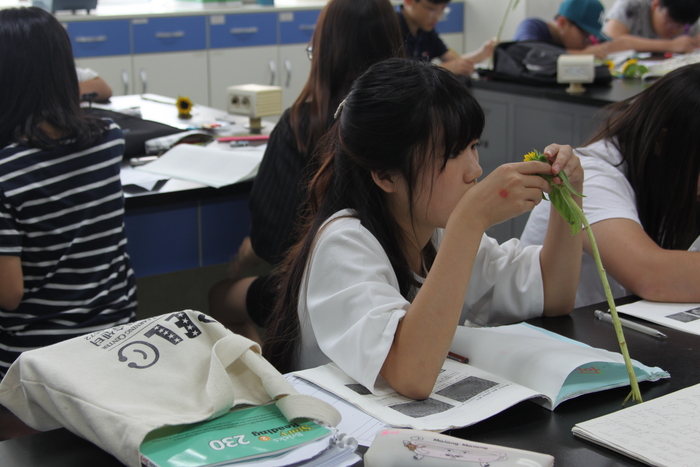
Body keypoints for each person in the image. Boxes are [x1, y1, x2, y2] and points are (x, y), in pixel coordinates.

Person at [263, 58, 584, 399]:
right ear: (386, 175)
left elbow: (554, 294)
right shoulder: (344, 242)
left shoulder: (433, 230)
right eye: (452, 154)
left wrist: (571, 196)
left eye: (473, 147)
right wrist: (470, 220)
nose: (474, 170)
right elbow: (411, 374)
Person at [207, 0, 405, 344]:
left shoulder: (303, 125)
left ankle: (267, 377)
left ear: (327, 51)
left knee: (219, 297)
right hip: (397, 277)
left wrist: (250, 249)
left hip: (318, 289)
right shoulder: (409, 120)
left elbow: (274, 241)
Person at [0, 7, 137, 378]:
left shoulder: (6, 172)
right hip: (116, 338)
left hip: (35, 359)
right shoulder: (109, 137)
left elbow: (8, 294)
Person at [521, 63, 700, 308]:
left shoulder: (666, 177)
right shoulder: (593, 176)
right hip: (549, 334)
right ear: (663, 141)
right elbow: (652, 275)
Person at [398, 0, 497, 76]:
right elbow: (400, 75)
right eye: (431, 9)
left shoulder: (426, 32)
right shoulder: (391, 27)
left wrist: (482, 53)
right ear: (409, 1)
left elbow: (455, 61)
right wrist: (444, 68)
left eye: (442, 10)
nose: (437, 17)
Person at [513, 0, 626, 60]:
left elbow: (620, 43)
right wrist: (582, 54)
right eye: (586, 35)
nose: (588, 42)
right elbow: (525, 52)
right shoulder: (532, 26)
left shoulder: (575, 42)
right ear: (563, 23)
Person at [603, 0, 700, 54]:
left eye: (682, 27)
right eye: (669, 22)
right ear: (656, 4)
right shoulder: (632, 5)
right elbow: (611, 39)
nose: (675, 30)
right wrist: (670, 45)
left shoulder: (688, 18)